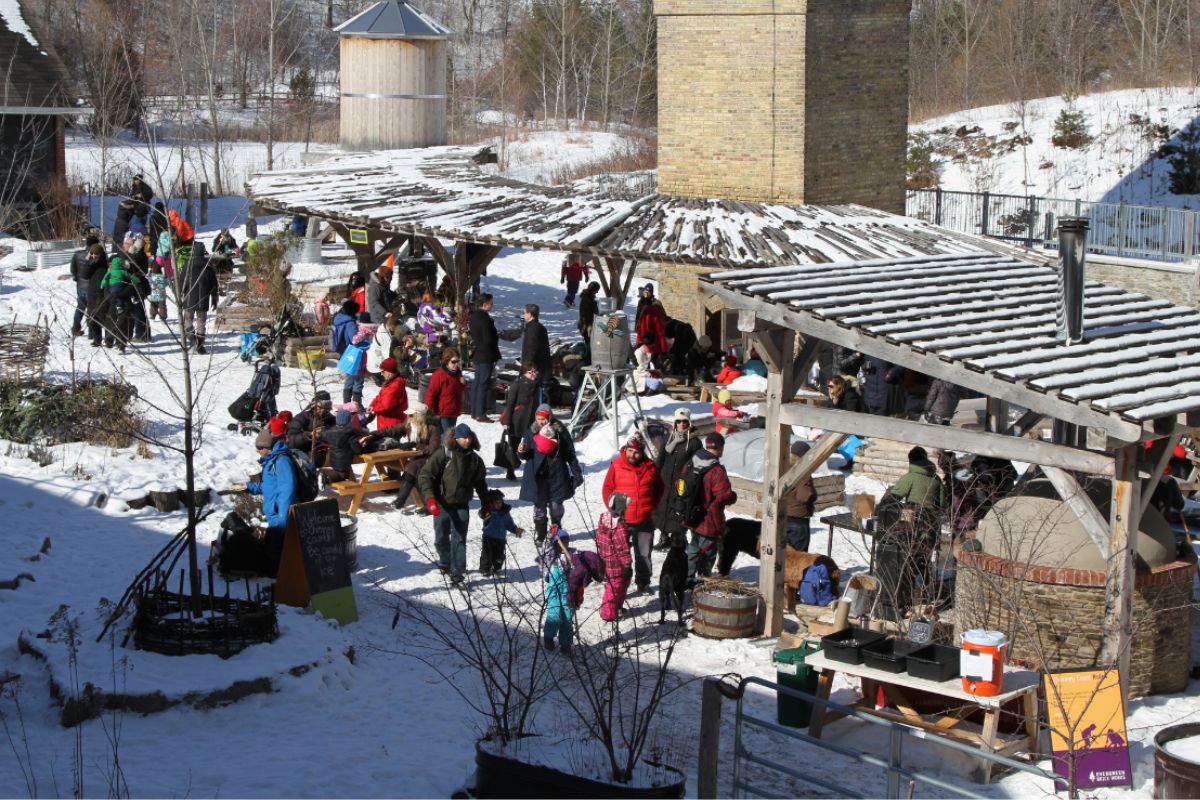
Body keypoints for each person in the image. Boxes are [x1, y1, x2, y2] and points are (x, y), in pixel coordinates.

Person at [418, 422, 490, 585]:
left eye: (469, 437)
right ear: (456, 438)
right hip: (442, 503)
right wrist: (430, 499)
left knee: (459, 538)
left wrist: (485, 503)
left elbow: (480, 483)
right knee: (441, 537)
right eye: (464, 438)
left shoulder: (475, 460)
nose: (467, 440)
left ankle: (458, 573)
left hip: (462, 503)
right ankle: (445, 561)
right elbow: (425, 476)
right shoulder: (444, 454)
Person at [601, 434, 664, 594]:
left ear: (642, 451)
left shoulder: (651, 467)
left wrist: (652, 505)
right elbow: (607, 488)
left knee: (644, 555)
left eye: (636, 452)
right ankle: (619, 587)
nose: (632, 455)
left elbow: (659, 488)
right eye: (629, 450)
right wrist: (613, 509)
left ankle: (643, 583)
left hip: (644, 519)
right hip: (622, 519)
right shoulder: (616, 465)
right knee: (620, 556)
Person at [518, 404, 583, 544]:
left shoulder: (560, 431)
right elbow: (525, 455)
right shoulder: (531, 431)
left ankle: (556, 530)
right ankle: (540, 534)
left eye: (544, 418)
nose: (541, 421)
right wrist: (521, 451)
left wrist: (577, 474)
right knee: (539, 507)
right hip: (538, 477)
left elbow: (570, 454)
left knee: (556, 507)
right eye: (538, 418)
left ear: (549, 417)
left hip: (557, 476)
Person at [243, 427, 298, 577]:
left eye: (259, 448)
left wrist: (283, 517)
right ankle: (278, 576)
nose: (258, 451)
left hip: (280, 515)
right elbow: (269, 487)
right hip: (275, 514)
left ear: (267, 447)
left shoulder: (281, 461)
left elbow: (288, 489)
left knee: (276, 550)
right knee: (275, 549)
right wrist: (249, 487)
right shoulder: (271, 461)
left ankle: (280, 582)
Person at [685, 432, 737, 583]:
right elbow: (724, 496)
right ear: (720, 448)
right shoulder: (716, 470)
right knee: (708, 551)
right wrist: (733, 496)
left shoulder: (694, 460)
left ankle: (687, 578)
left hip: (692, 514)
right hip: (709, 518)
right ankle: (704, 580)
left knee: (694, 547)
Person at [653, 407, 703, 550]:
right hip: (665, 481)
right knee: (663, 507)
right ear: (675, 423)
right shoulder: (669, 439)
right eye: (679, 422)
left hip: (681, 483)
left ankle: (678, 539)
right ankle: (664, 537)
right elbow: (660, 459)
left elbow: (696, 464)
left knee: (678, 510)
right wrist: (655, 476)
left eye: (685, 422)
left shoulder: (694, 442)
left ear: (689, 423)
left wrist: (690, 481)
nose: (681, 424)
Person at [383, 403, 440, 511]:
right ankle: (401, 502)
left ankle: (402, 502)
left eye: (411, 415)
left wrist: (416, 445)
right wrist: (372, 435)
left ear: (419, 416)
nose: (408, 417)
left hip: (430, 459)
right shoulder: (410, 424)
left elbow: (433, 449)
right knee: (411, 471)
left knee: (413, 471)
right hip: (416, 458)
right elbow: (391, 429)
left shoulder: (432, 428)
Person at [502, 362, 542, 481]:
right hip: (517, 420)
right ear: (524, 373)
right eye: (530, 372)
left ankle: (533, 470)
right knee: (513, 446)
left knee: (533, 446)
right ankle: (510, 470)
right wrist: (507, 422)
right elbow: (510, 405)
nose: (533, 374)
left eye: (535, 371)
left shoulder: (537, 385)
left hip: (532, 420)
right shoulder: (517, 385)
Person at [179, 241, 218, 354]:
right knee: (201, 321)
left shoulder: (187, 266)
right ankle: (199, 344)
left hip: (189, 298)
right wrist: (214, 299)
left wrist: (180, 294)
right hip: (203, 299)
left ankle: (192, 340)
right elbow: (214, 285)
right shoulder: (208, 267)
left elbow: (182, 282)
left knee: (188, 319)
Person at [99, 252, 141, 353]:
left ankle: (120, 343)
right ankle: (111, 341)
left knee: (121, 322)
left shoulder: (116, 274)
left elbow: (132, 288)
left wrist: (118, 294)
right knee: (116, 322)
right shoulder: (119, 274)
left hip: (120, 302)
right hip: (115, 302)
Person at [597, 505, 633, 621]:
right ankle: (608, 614)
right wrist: (627, 565)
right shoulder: (619, 528)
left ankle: (616, 608)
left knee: (617, 585)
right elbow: (622, 549)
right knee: (615, 588)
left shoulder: (604, 520)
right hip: (618, 565)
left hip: (606, 562)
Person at [468, 293, 500, 422]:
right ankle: (480, 413)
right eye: (491, 303)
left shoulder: (474, 317)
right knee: (483, 384)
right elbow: (488, 339)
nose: (492, 306)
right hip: (486, 354)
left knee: (477, 382)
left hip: (477, 354)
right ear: (485, 304)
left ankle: (474, 410)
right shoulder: (485, 319)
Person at [425, 347, 468, 438]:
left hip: (454, 411)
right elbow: (431, 395)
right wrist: (432, 413)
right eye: (453, 362)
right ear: (447, 361)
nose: (456, 364)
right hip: (442, 414)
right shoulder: (439, 375)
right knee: (445, 439)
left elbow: (457, 391)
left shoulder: (457, 374)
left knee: (451, 437)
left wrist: (463, 384)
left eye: (458, 361)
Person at [479, 489, 523, 577]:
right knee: (487, 554)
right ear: (491, 503)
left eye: (500, 502)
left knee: (499, 555)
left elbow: (509, 523)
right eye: (496, 503)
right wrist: (486, 515)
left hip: (500, 538)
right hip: (488, 537)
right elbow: (481, 514)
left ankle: (497, 567)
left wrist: (515, 530)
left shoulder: (504, 512)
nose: (499, 504)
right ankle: (485, 569)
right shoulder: (488, 512)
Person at [782, 441, 816, 551]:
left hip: (785, 517)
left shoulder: (785, 467)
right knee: (799, 557)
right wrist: (813, 495)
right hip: (799, 521)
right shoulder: (802, 472)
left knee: (787, 556)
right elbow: (804, 496)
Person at [319, 407, 367, 483]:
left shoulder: (330, 432)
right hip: (344, 462)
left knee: (340, 473)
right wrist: (361, 445)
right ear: (348, 421)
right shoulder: (350, 433)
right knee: (342, 476)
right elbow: (357, 449)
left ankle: (323, 475)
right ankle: (326, 478)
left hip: (334, 460)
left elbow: (322, 435)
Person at [330, 300, 364, 403]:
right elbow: (354, 340)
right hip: (352, 353)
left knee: (350, 377)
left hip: (344, 352)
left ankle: (347, 402)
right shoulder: (350, 323)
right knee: (358, 378)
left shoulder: (338, 319)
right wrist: (364, 337)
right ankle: (356, 403)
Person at [287, 390, 335, 460]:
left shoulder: (330, 418)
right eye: (321, 408)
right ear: (314, 406)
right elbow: (291, 440)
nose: (323, 411)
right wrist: (309, 435)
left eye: (326, 409)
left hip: (325, 456)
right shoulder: (301, 418)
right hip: (304, 455)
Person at [69, 234, 101, 336]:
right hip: (91, 286)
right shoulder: (97, 256)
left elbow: (73, 269)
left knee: (80, 307)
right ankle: (92, 332)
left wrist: (76, 278)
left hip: (80, 285)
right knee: (92, 310)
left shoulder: (77, 254)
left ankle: (75, 327)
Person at [370, 357, 409, 430]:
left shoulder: (395, 385)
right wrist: (372, 405)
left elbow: (385, 405)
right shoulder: (390, 382)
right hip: (386, 422)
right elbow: (380, 396)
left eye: (383, 371)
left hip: (391, 425)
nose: (381, 374)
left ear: (389, 372)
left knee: (389, 441)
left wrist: (374, 409)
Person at [521, 303, 553, 390]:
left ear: (530, 314)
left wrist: (528, 364)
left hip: (535, 367)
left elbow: (532, 347)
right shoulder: (538, 327)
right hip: (540, 366)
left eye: (525, 313)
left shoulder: (533, 329)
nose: (523, 315)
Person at [84, 244, 109, 347]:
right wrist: (88, 262)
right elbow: (84, 275)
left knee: (104, 317)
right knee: (92, 317)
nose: (94, 255)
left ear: (101, 254)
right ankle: (97, 339)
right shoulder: (92, 263)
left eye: (96, 254)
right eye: (92, 253)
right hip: (92, 293)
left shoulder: (103, 263)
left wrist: (92, 262)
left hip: (101, 293)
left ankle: (109, 340)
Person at [634, 284, 668, 362]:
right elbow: (638, 315)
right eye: (645, 291)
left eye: (648, 292)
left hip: (651, 334)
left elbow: (662, 316)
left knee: (648, 355)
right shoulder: (641, 301)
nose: (646, 294)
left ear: (651, 292)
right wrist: (636, 326)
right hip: (642, 331)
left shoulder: (656, 303)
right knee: (639, 355)